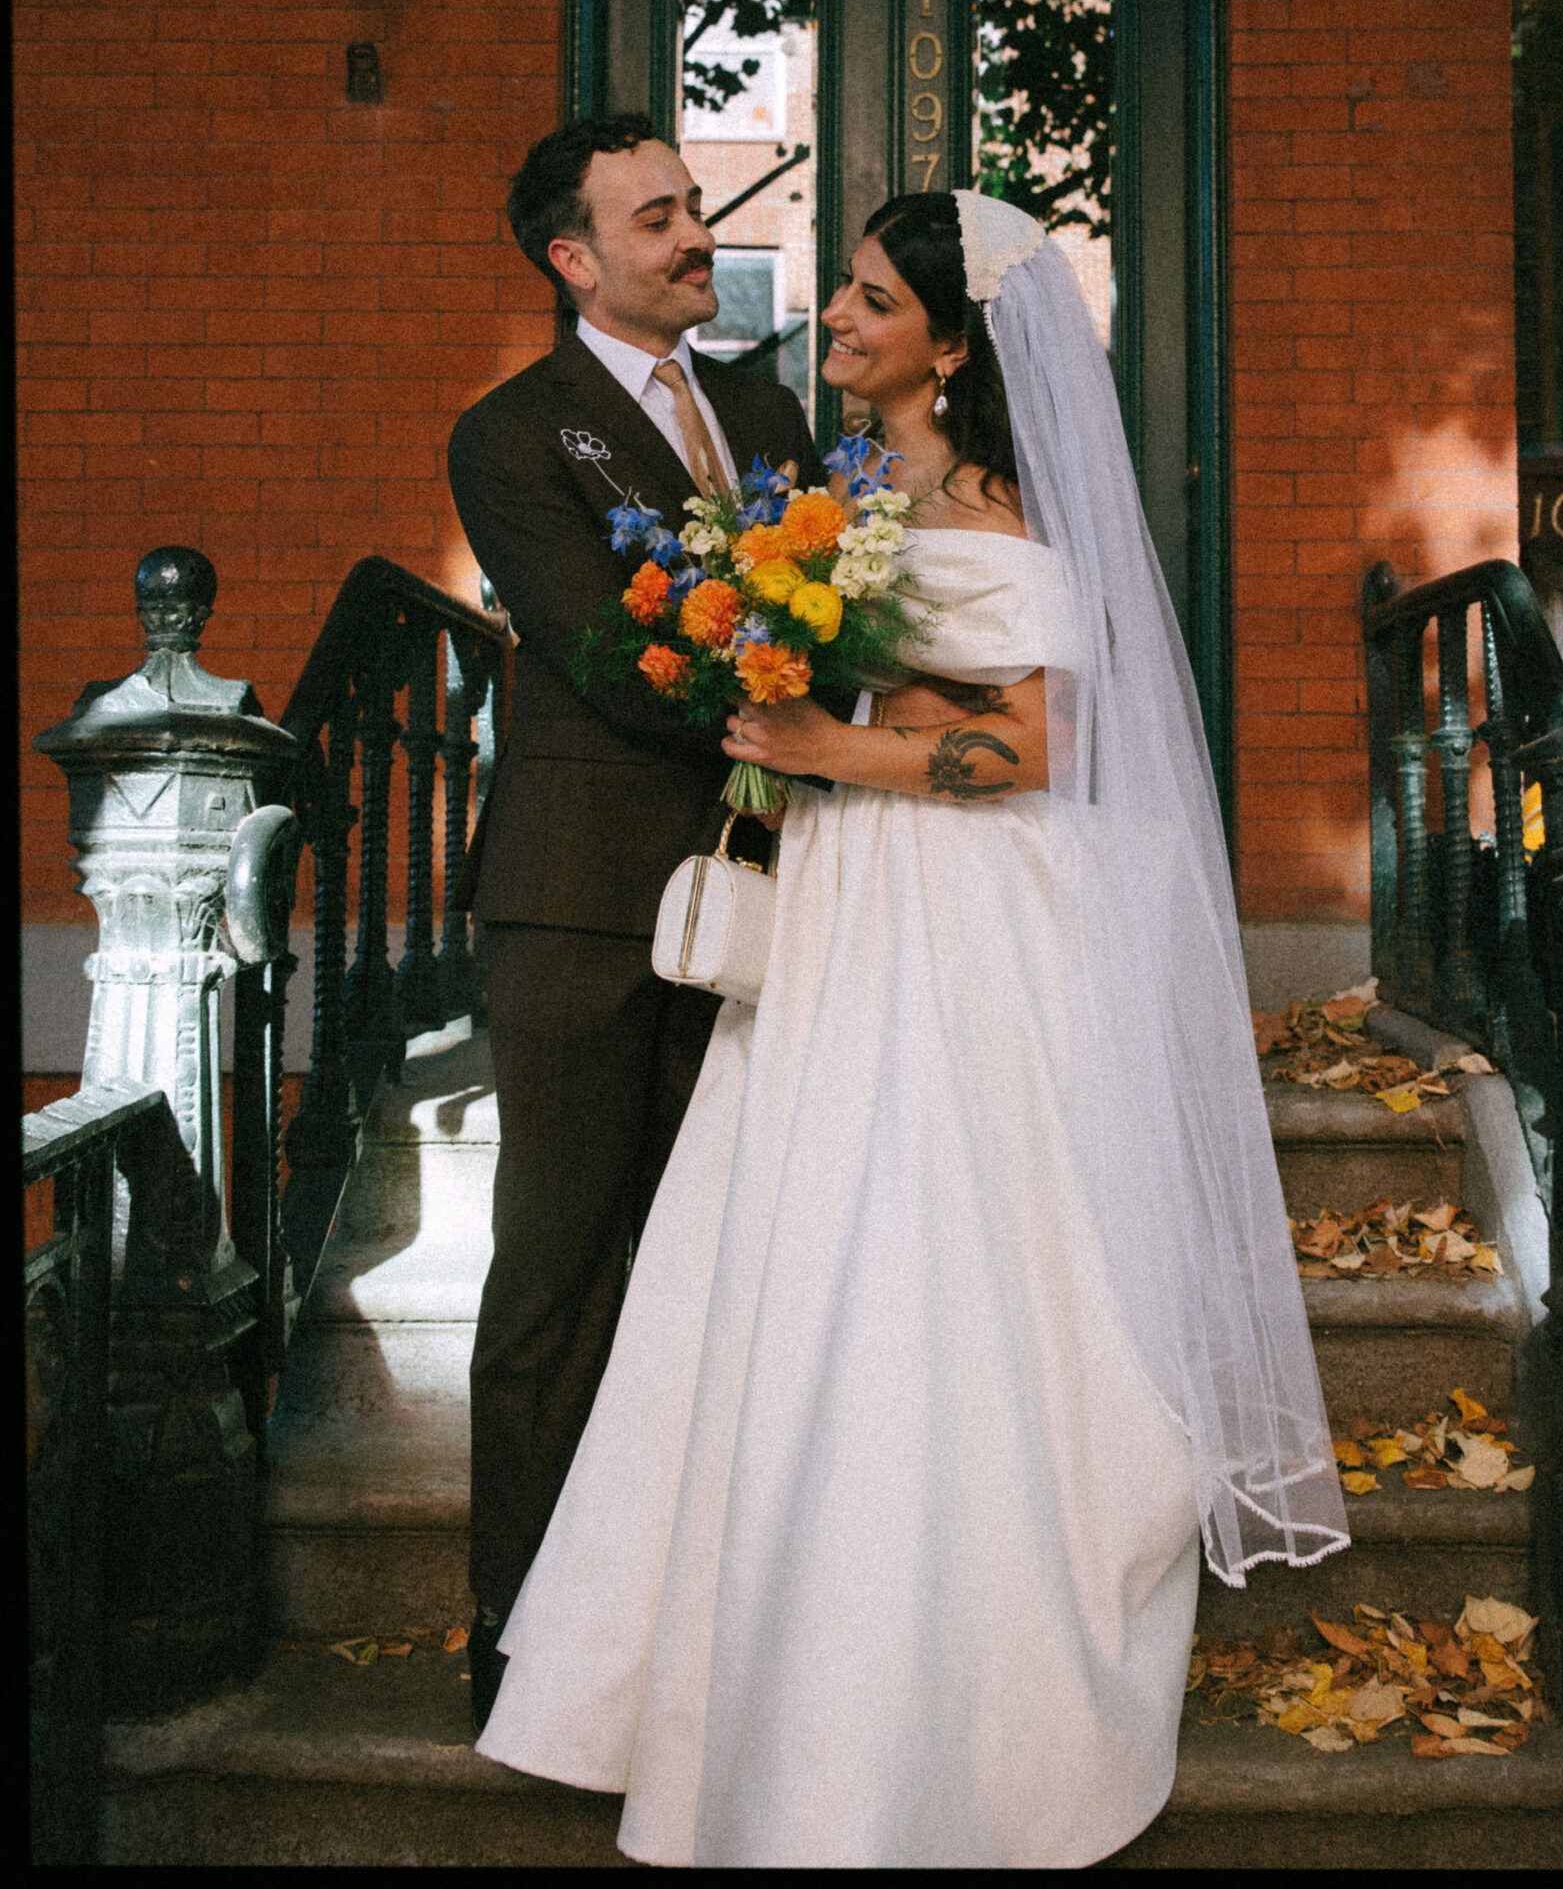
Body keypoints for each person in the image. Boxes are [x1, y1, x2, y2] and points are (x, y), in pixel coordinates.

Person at [476, 189, 1349, 1864]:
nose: (838, 321)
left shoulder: (1004, 519)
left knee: (943, 1250)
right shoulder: (849, 490)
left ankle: (936, 1683)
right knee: (785, 1252)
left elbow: (1031, 750)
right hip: (849, 907)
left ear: (951, 345)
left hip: (961, 917)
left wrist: (826, 747)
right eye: (847, 296)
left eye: (872, 302)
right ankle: (726, 1663)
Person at [446, 113, 818, 1733]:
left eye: (692, 205)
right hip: (582, 907)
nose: (694, 233)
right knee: (559, 1271)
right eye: (656, 216)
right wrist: (790, 709)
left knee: (717, 1278)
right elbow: (598, 648)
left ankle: (673, 1642)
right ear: (573, 259)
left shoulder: (768, 407)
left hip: (773, 895)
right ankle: (518, 1630)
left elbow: (831, 595)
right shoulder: (512, 434)